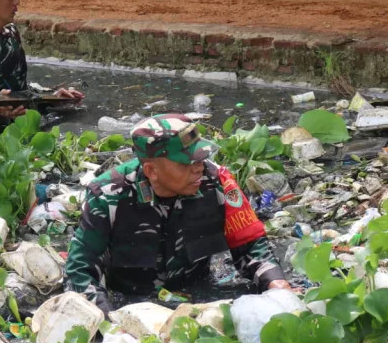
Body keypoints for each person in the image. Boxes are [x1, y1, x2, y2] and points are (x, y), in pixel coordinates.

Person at [65, 114, 293, 315]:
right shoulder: (108, 195)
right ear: (152, 170)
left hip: (197, 293)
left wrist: (275, 283)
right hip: (130, 300)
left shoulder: (217, 182)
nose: (199, 168)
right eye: (186, 163)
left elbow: (250, 244)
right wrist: (108, 323)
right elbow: (80, 269)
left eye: (200, 158)